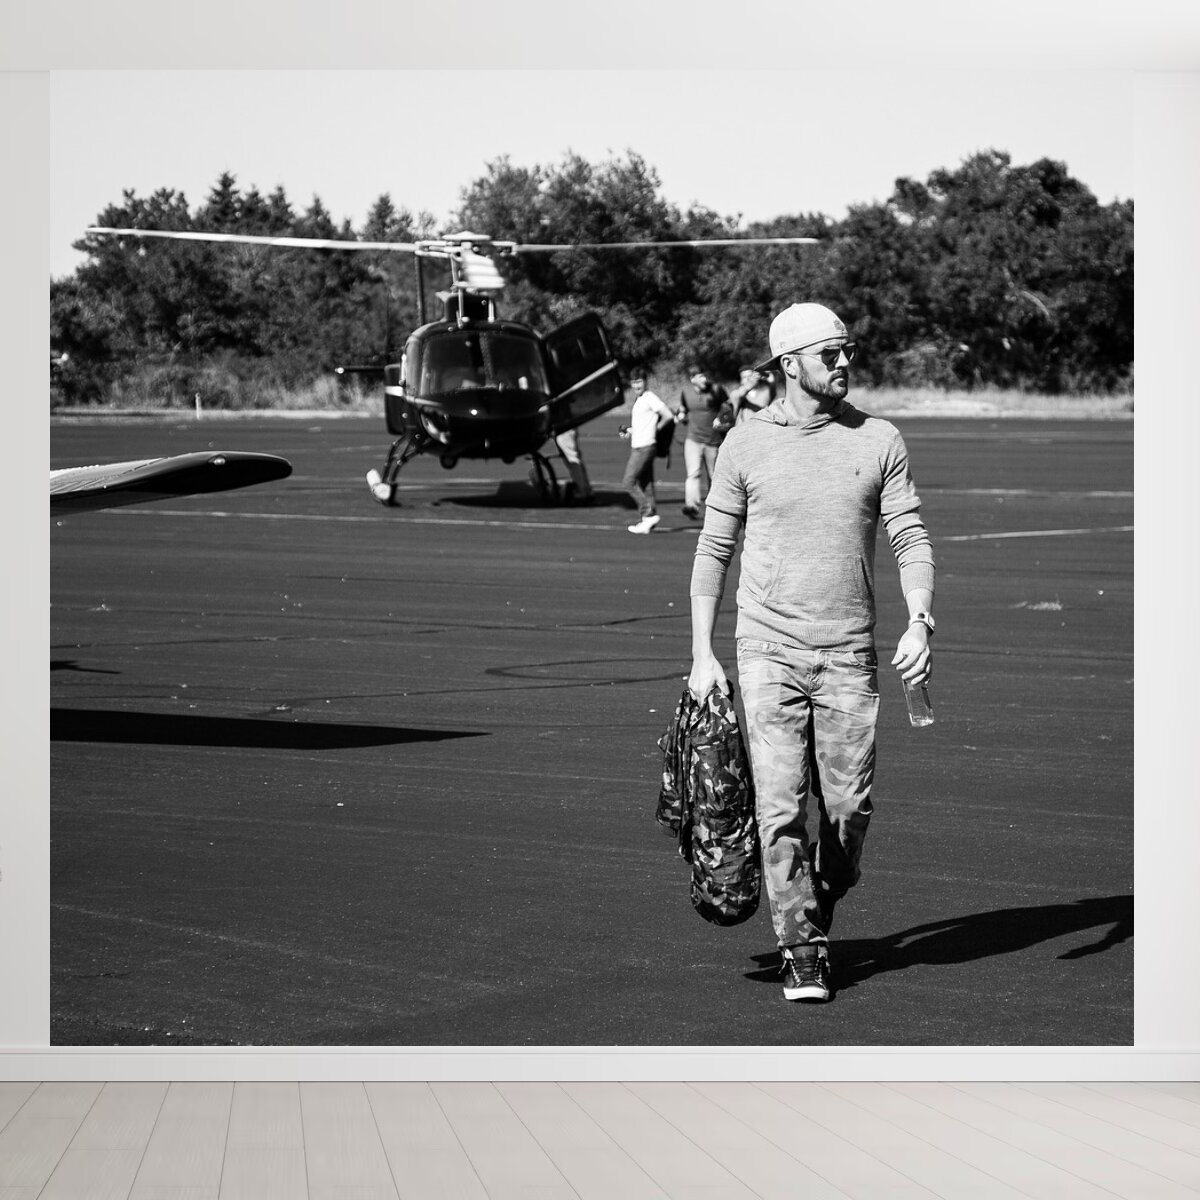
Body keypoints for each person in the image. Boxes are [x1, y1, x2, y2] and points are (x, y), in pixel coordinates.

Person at [687, 302, 935, 1003]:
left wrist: (920, 621)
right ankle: (802, 946)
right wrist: (703, 653)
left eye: (848, 349)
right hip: (766, 648)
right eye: (830, 354)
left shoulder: (878, 439)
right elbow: (713, 550)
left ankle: (820, 891)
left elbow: (909, 536)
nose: (845, 362)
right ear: (789, 364)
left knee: (850, 811)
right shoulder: (744, 444)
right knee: (780, 807)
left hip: (849, 654)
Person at [621, 368, 675, 534]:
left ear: (645, 382)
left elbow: (668, 415)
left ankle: (647, 513)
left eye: (639, 381)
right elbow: (643, 424)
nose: (636, 385)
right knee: (646, 484)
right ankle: (647, 521)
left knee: (628, 482)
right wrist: (630, 431)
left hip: (644, 447)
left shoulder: (649, 397)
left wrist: (655, 429)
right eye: (634, 382)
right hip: (640, 444)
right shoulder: (640, 399)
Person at [677, 364, 731, 520]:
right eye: (701, 376)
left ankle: (716, 509)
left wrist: (721, 419)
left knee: (714, 476)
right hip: (693, 439)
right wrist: (681, 416)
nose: (704, 379)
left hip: (713, 441)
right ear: (692, 379)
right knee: (693, 474)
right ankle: (692, 506)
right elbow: (683, 409)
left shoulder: (716, 390)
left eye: (705, 376)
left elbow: (728, 407)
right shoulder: (686, 392)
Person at [553, 427, 593, 504]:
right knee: (574, 459)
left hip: (564, 430)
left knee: (572, 460)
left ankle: (581, 491)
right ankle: (586, 490)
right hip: (566, 430)